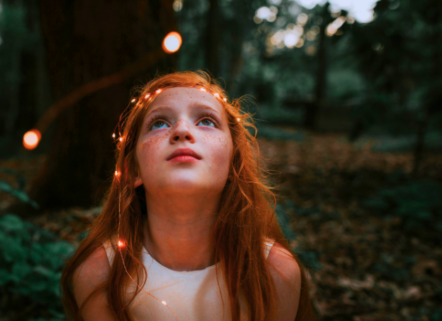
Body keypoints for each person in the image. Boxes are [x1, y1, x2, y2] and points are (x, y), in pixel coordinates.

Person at [60, 71, 314, 321]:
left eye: (206, 121)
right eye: (159, 123)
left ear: (233, 165)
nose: (181, 130)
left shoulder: (273, 272)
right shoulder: (101, 274)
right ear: (132, 170)